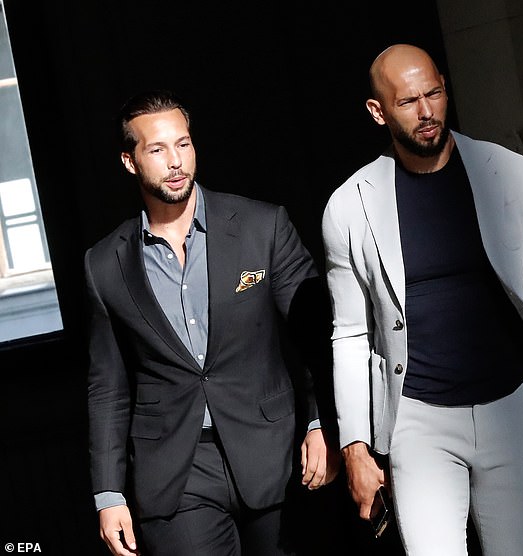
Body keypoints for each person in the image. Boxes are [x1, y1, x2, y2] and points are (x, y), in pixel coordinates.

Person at [320, 43, 523, 555]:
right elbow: (350, 333)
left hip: (510, 406)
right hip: (417, 417)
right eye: (408, 102)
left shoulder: (510, 174)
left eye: (434, 93)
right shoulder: (350, 205)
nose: (426, 112)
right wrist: (356, 446)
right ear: (377, 111)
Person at [85, 89, 340, 556]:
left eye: (183, 144)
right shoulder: (104, 264)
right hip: (175, 471)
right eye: (157, 149)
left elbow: (316, 334)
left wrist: (323, 422)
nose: (175, 161)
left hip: (274, 451)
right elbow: (108, 387)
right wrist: (108, 493)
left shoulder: (262, 226)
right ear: (129, 161)